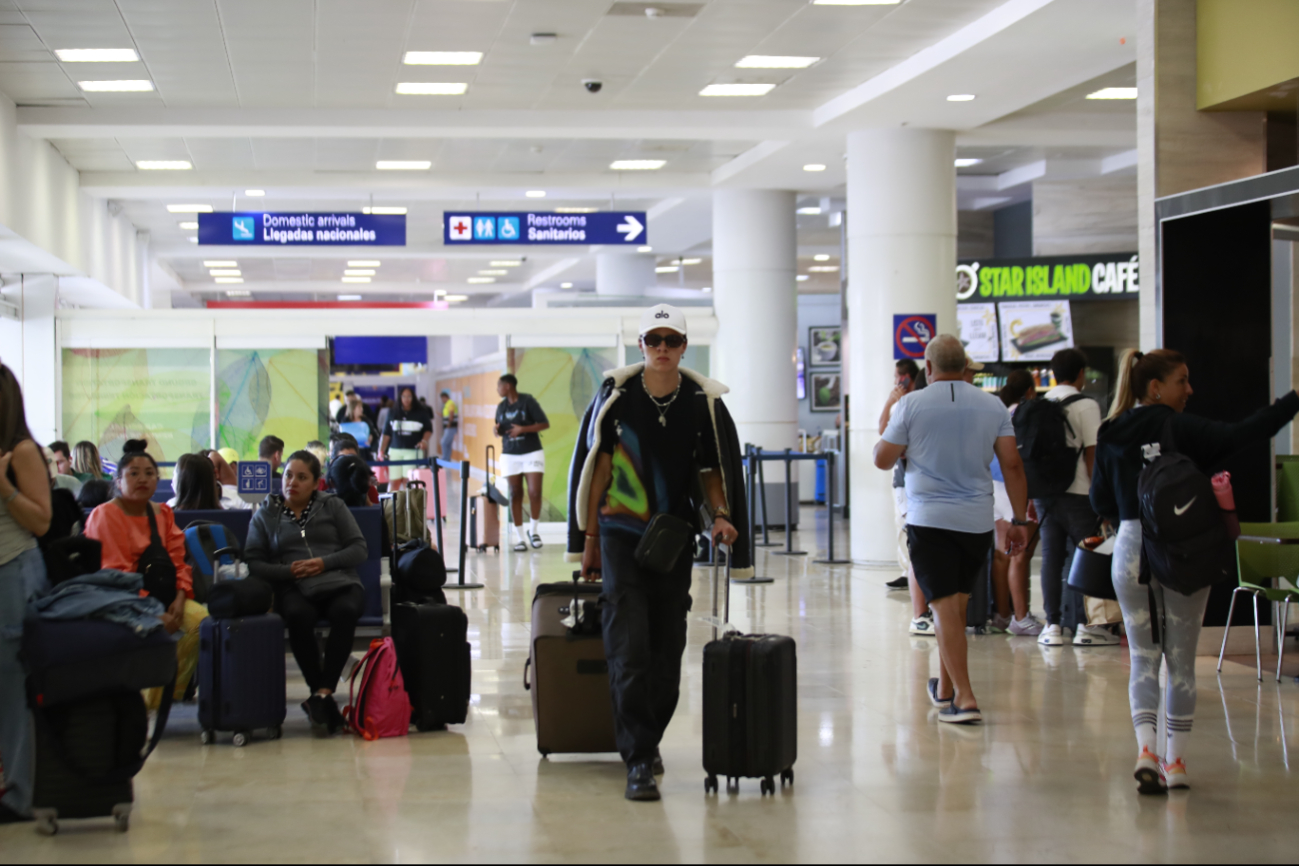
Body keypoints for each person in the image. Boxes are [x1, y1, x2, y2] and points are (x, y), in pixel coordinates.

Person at [1091, 349, 1299, 794]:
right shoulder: (1181, 428)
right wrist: (1293, 399)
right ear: (1155, 388)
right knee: (1181, 662)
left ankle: (1146, 749)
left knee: (1143, 659)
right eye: (1182, 381)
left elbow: (1100, 503)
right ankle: (1177, 762)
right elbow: (1249, 432)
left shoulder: (1111, 431)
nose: (1190, 390)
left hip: (1131, 552)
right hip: (1184, 552)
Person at [568, 303, 747, 802]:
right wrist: (589, 541)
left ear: (684, 346)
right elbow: (597, 466)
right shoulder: (619, 398)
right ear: (641, 345)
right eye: (653, 340)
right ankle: (639, 758)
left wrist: (721, 516)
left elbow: (711, 470)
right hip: (620, 534)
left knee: (667, 652)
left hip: (672, 539)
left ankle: (647, 736)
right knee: (629, 649)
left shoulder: (698, 402)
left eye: (671, 340)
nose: (662, 348)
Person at [874, 335, 1031, 725]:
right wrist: (1018, 520)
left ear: (927, 369)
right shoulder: (992, 405)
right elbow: (1012, 465)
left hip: (930, 521)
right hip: (976, 523)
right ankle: (944, 687)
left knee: (944, 609)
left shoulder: (911, 403)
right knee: (954, 608)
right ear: (964, 366)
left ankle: (965, 697)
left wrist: (903, 434)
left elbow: (881, 459)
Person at [244, 450, 368, 736]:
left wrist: (323, 563)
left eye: (302, 477)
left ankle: (321, 696)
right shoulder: (267, 513)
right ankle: (322, 696)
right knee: (299, 615)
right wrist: (290, 571)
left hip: (339, 581)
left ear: (316, 483)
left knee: (345, 611)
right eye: (288, 475)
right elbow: (253, 561)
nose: (292, 482)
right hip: (294, 586)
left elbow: (359, 548)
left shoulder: (332, 506)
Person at [84, 441, 209, 711]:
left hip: (165, 595)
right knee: (154, 631)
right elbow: (116, 575)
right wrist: (152, 612)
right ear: (118, 481)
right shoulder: (104, 516)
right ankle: (143, 706)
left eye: (149, 473)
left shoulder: (162, 513)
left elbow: (178, 562)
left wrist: (179, 597)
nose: (143, 479)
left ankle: (161, 698)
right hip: (120, 601)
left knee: (200, 622)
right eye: (133, 473)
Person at [1032, 348, 1113, 648]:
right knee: (1088, 557)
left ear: (1053, 373)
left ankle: (1052, 625)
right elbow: (1093, 454)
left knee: (1051, 559)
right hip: (1079, 494)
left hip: (1045, 496)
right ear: (1081, 374)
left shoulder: (1041, 404)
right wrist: (1100, 496)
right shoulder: (1087, 405)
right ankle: (1085, 626)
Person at [0, 364, 52, 824]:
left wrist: (2, 489)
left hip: (12, 573)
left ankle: (19, 793)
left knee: (13, 684)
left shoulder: (20, 452)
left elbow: (41, 520)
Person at [990, 371, 1043, 636]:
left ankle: (1002, 615)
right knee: (1021, 553)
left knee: (1002, 555)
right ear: (1030, 392)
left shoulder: (999, 412)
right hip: (1017, 486)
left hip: (994, 484)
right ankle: (1021, 618)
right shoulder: (1029, 414)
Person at [495, 374, 550, 552]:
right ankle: (519, 537)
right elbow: (499, 430)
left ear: (508, 386)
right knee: (515, 492)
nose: (498, 389)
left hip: (532, 452)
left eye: (499, 386)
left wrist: (522, 429)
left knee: (534, 492)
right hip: (510, 454)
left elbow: (544, 424)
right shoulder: (501, 407)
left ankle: (533, 531)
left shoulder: (528, 401)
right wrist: (496, 431)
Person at [879, 359, 920, 594]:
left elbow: (882, 431)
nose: (895, 382)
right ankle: (908, 571)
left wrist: (890, 402)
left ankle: (910, 572)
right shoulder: (902, 404)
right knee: (903, 525)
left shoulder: (907, 404)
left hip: (906, 477)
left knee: (906, 525)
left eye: (897, 377)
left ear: (906, 378)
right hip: (903, 475)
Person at [378, 387, 431, 492]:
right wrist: (381, 449)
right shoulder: (393, 412)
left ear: (413, 398)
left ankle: (410, 507)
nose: (406, 399)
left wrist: (424, 441)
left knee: (409, 481)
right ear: (400, 398)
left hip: (412, 451)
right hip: (395, 451)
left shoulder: (421, 413)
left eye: (409, 396)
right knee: (394, 481)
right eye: (404, 396)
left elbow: (428, 429)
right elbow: (386, 433)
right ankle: (390, 507)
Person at [439, 390, 458, 460]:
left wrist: (449, 423)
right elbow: (446, 415)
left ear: (445, 397)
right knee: (448, 444)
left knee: (443, 442)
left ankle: (445, 458)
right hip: (449, 427)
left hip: (450, 427)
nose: (442, 400)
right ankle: (447, 458)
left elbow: (451, 414)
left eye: (442, 398)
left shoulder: (450, 403)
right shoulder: (447, 404)